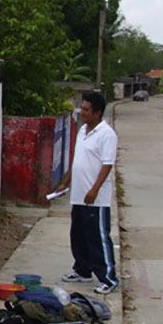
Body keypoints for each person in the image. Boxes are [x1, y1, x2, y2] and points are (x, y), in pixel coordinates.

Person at [52, 92, 119, 295]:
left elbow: (107, 165)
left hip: (95, 198)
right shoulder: (82, 130)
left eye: (87, 109)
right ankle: (82, 270)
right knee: (78, 234)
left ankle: (108, 278)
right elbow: (78, 160)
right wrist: (65, 181)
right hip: (78, 194)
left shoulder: (106, 134)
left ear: (98, 113)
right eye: (82, 107)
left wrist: (94, 190)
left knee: (97, 237)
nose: (82, 112)